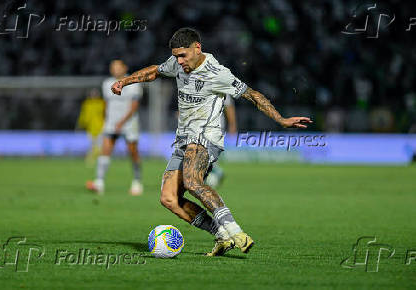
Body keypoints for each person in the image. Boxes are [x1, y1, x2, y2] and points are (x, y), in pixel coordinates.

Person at [111, 28, 312, 256]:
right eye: (176, 56)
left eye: (183, 55)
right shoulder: (177, 64)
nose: (179, 61)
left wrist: (281, 120)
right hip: (183, 139)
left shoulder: (218, 73)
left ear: (197, 48)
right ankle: (221, 235)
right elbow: (156, 71)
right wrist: (125, 81)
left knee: (191, 181)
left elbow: (252, 94)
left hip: (207, 137)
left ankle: (235, 231)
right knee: (168, 198)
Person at [86, 60, 144, 196]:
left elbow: (134, 107)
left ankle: (137, 182)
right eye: (113, 67)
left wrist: (122, 122)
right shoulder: (107, 84)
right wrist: (107, 120)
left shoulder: (133, 83)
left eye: (118, 67)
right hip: (112, 123)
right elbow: (106, 104)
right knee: (105, 151)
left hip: (129, 124)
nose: (115, 70)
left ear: (125, 68)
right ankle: (99, 183)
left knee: (133, 152)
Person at [204, 95, 236, 188]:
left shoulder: (221, 83)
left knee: (209, 153)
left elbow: (229, 106)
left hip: (216, 127)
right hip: (200, 126)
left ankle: (213, 175)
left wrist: (232, 124)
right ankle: (216, 172)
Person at [76, 88, 105, 167]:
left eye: (95, 94)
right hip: (90, 128)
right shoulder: (87, 104)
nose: (94, 95)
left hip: (100, 127)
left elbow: (105, 115)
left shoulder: (102, 103)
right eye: (93, 94)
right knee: (92, 145)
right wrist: (81, 124)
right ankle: (92, 160)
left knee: (99, 145)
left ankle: (95, 160)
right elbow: (83, 115)